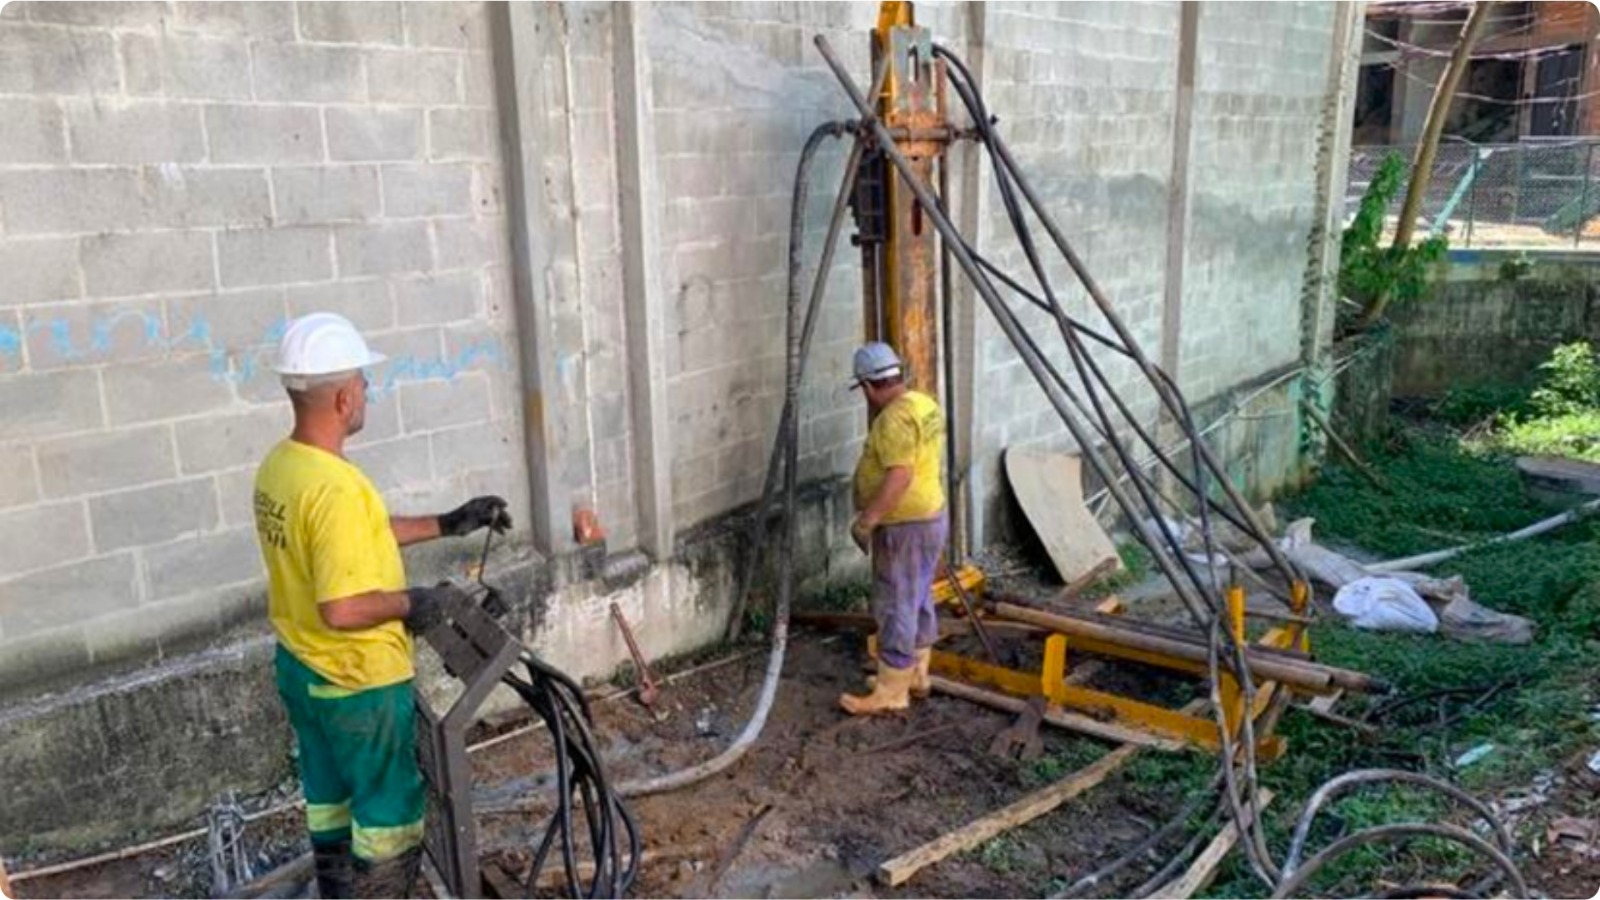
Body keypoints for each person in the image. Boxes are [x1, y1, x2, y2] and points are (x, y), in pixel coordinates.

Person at [252, 313, 511, 898]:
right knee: (388, 811)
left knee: (329, 795)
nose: (368, 391)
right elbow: (341, 608)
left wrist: (448, 523)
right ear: (344, 397)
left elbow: (357, 536)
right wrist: (414, 602)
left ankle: (338, 892)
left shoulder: (283, 466)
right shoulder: (336, 487)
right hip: (355, 684)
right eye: (365, 382)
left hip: (301, 668)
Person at [840, 342, 948, 716]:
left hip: (904, 526)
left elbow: (899, 476)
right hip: (930, 518)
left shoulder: (893, 419)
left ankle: (891, 691)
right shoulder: (923, 404)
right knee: (917, 597)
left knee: (895, 603)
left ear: (868, 387)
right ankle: (916, 675)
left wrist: (868, 520)